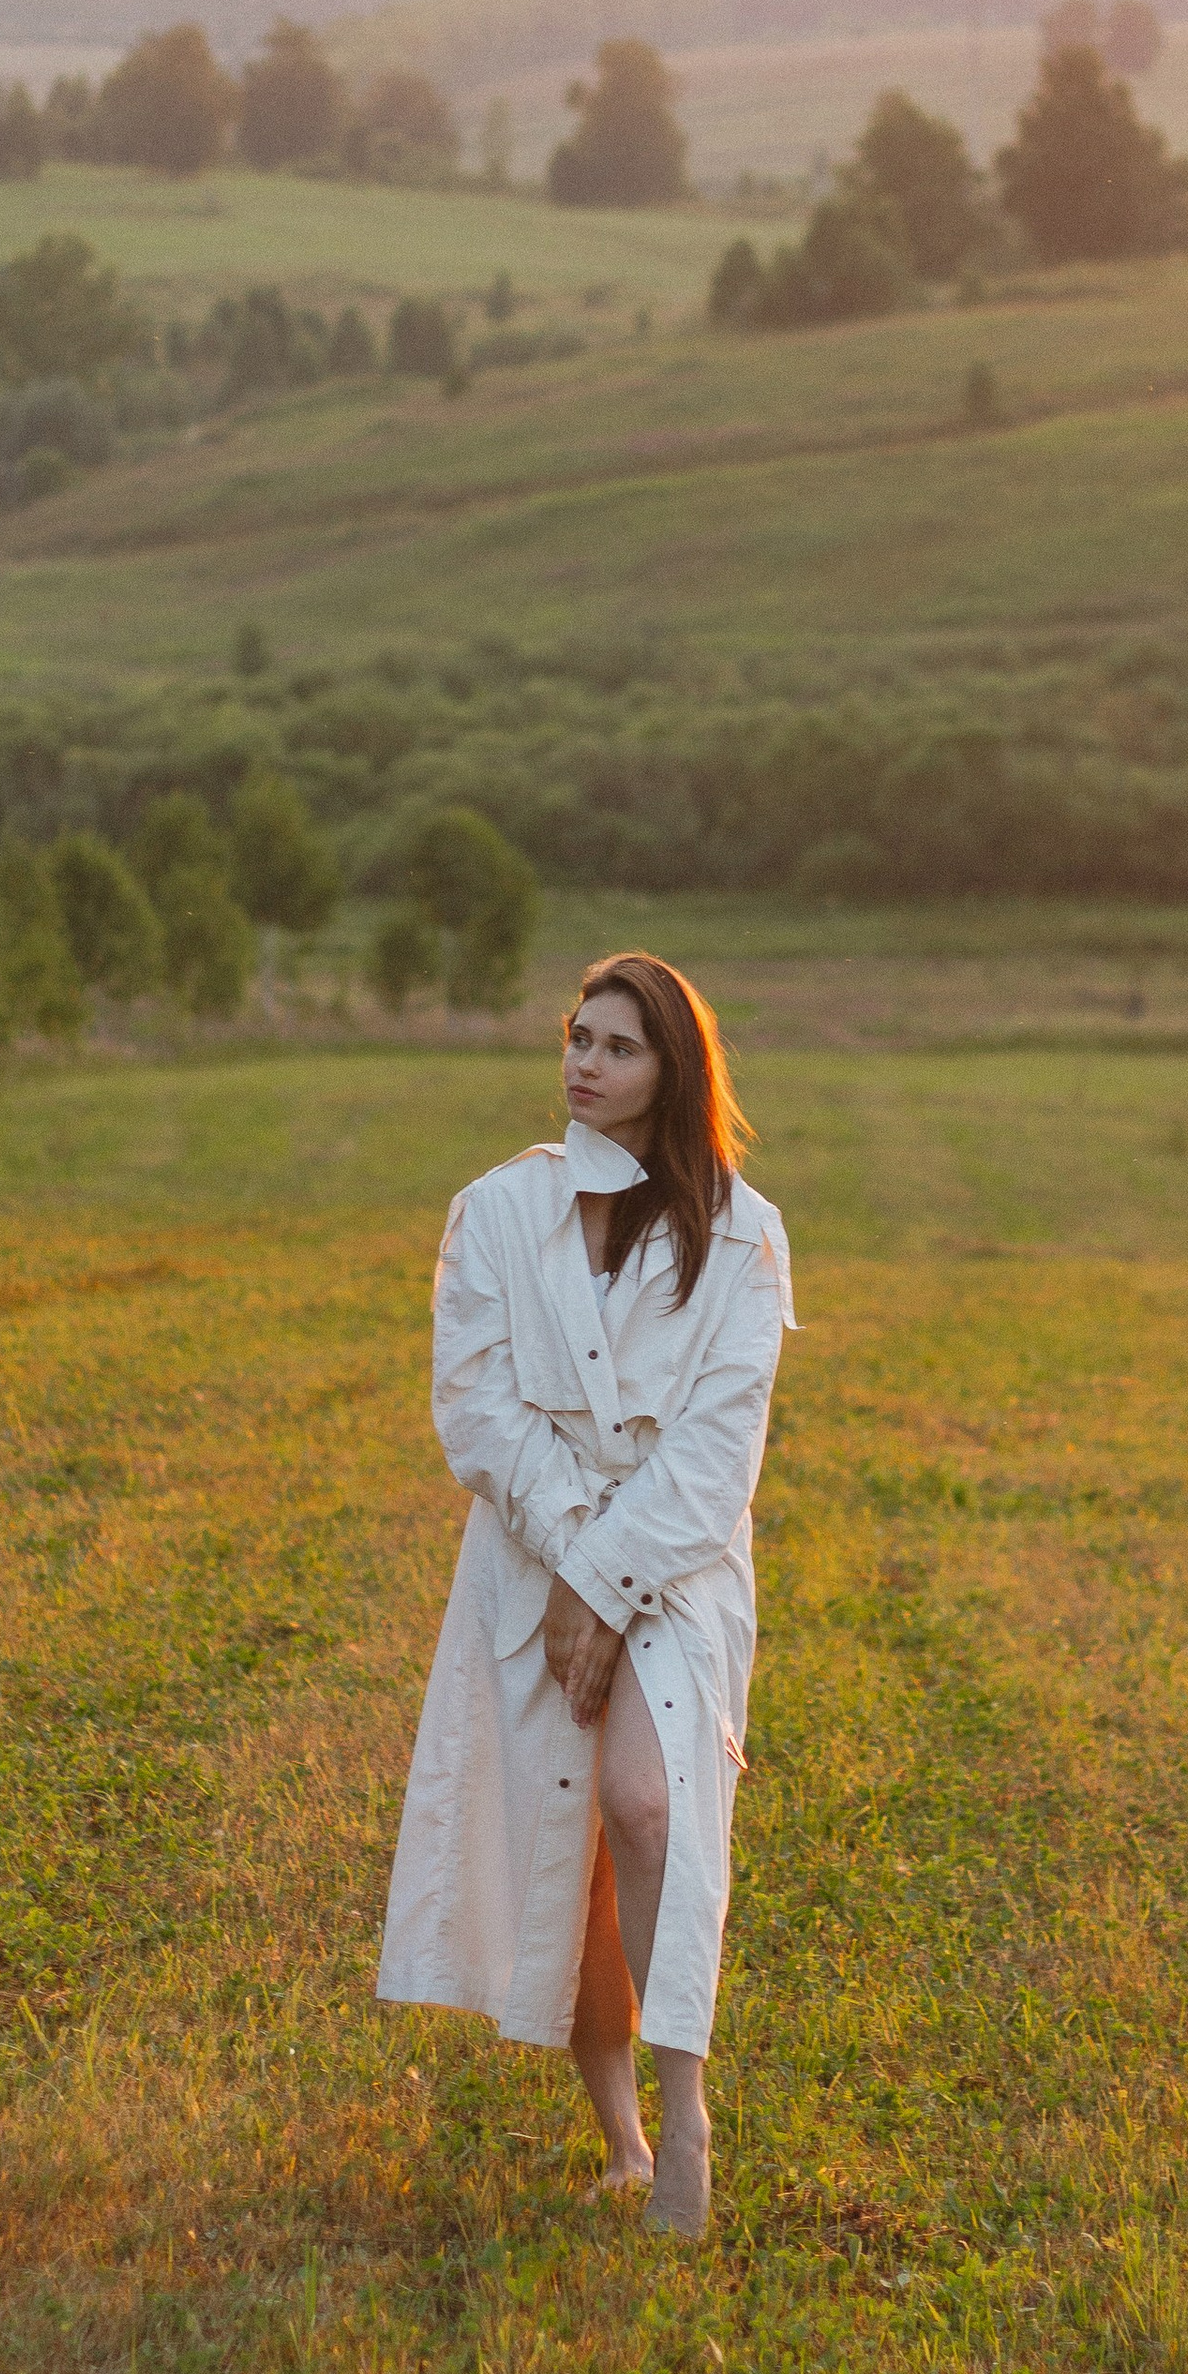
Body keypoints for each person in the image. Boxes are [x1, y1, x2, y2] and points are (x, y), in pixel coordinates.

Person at [374, 953, 794, 2237]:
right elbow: (478, 1413)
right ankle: (616, 2137)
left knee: (643, 1804)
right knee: (574, 1852)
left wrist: (608, 1588)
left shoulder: (745, 1232)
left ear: (673, 1069)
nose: (584, 1063)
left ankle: (684, 2127)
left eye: (618, 1046)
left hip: (675, 1567)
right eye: (576, 1037)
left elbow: (717, 1458)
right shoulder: (494, 1213)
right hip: (532, 1563)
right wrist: (570, 1564)